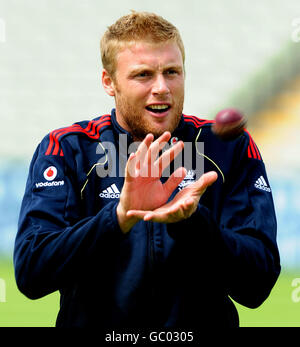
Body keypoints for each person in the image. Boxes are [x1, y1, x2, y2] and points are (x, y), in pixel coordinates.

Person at [14, 11, 280, 328]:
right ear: (108, 82)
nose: (161, 87)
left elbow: (257, 284)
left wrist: (194, 223)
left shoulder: (227, 147)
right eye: (143, 75)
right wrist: (117, 218)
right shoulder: (67, 149)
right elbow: (32, 272)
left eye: (172, 72)